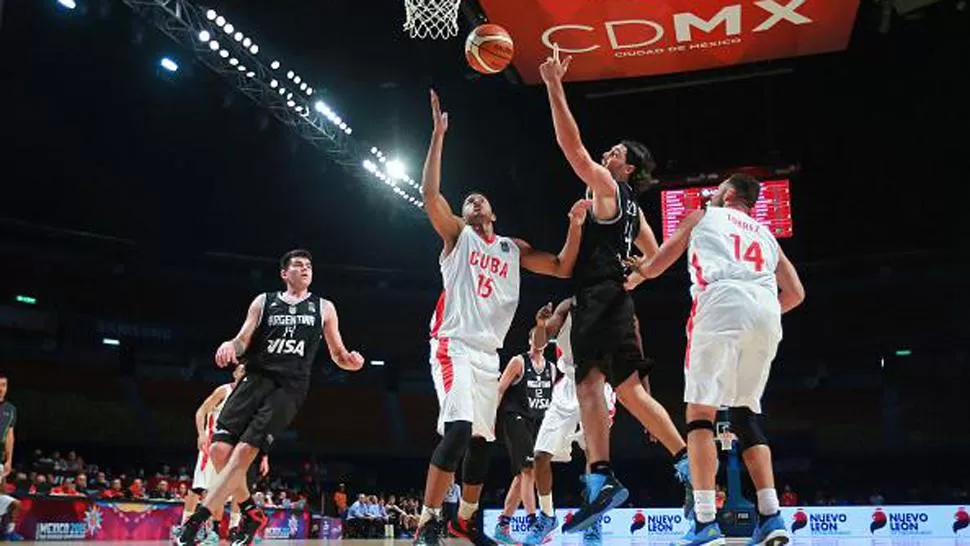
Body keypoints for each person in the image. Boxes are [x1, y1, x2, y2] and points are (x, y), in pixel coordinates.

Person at [413, 90, 589, 546]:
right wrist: (437, 136)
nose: (472, 203)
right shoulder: (457, 238)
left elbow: (562, 267)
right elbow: (430, 194)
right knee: (455, 432)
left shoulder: (513, 249)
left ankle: (465, 520)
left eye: (479, 199)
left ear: (492, 212)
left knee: (479, 443)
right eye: (467, 201)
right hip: (452, 345)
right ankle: (429, 521)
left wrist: (574, 227)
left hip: (488, 356)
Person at [538, 46, 691, 536]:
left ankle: (688, 463)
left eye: (617, 154)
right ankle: (603, 479)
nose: (608, 155)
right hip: (601, 300)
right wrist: (641, 275)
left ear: (628, 169)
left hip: (602, 299)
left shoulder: (608, 188)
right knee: (592, 387)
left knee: (621, 390)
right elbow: (659, 255)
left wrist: (553, 85)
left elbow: (570, 148)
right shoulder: (636, 213)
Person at [625, 174, 805, 546]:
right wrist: (759, 315)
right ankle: (771, 516)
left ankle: (706, 521)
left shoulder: (702, 215)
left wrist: (636, 270)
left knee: (700, 414)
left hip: (721, 302)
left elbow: (656, 265)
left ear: (729, 194)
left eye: (718, 188)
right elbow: (797, 293)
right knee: (744, 414)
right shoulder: (766, 235)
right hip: (766, 315)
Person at [175, 249, 364, 546]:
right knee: (219, 452)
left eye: (309, 266)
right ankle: (251, 512)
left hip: (288, 387)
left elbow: (338, 353)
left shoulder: (324, 307)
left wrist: (350, 362)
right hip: (254, 379)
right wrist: (230, 346)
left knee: (242, 455)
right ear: (284, 273)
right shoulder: (264, 302)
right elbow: (243, 339)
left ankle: (197, 521)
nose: (305, 269)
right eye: (298, 265)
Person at [493, 316, 555, 544]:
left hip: (537, 422)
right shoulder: (518, 361)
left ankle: (503, 525)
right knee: (529, 470)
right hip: (515, 417)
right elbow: (499, 389)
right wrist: (490, 420)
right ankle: (532, 522)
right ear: (530, 339)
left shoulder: (552, 368)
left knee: (523, 476)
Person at [173, 363, 247, 545]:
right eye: (241, 369)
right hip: (212, 445)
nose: (244, 372)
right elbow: (201, 411)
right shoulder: (224, 390)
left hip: (231, 449)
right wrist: (201, 433)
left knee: (222, 489)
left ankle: (216, 532)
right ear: (235, 372)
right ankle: (185, 528)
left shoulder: (247, 397)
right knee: (198, 488)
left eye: (247, 370)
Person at [0, 375, 22, 541]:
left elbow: (10, 437)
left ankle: (7, 532)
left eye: (4, 385)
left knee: (5, 495)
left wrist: (9, 460)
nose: (1, 388)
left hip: (0, 460)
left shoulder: (11, 409)